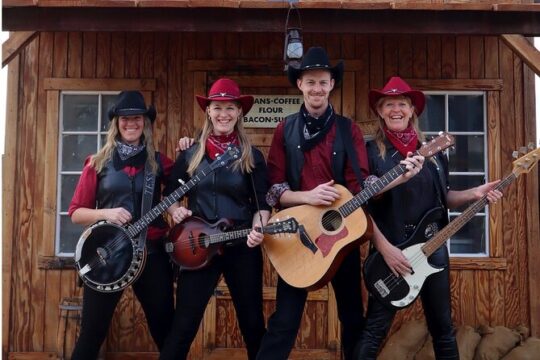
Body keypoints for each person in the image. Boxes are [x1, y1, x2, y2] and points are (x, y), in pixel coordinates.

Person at [257, 47, 423, 360]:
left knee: (351, 318)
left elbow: (361, 186)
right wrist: (307, 196)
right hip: (298, 237)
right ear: (300, 85)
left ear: (332, 84)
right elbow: (273, 189)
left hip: (341, 235)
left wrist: (398, 178)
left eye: (323, 82)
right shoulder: (284, 129)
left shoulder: (348, 130)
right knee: (284, 322)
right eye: (310, 82)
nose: (316, 88)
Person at [355, 76, 503, 359]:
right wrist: (385, 249)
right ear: (379, 111)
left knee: (443, 331)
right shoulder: (371, 151)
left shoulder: (434, 153)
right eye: (388, 104)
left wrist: (475, 192)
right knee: (374, 332)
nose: (395, 110)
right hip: (391, 254)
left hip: (433, 250)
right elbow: (361, 206)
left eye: (401, 103)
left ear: (412, 110)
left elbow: (443, 198)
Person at [159, 78, 271, 360]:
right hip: (198, 246)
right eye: (218, 107)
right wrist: (175, 212)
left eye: (230, 108)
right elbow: (168, 196)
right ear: (208, 111)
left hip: (241, 247)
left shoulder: (252, 156)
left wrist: (259, 228)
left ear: (238, 113)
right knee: (183, 325)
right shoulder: (190, 155)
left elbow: (263, 203)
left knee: (253, 324)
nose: (224, 114)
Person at [69, 91, 175, 359]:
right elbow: (76, 213)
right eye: (124, 118)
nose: (131, 123)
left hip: (151, 254)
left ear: (145, 123)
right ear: (116, 123)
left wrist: (187, 148)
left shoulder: (159, 162)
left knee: (167, 332)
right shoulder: (96, 163)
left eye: (136, 118)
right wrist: (107, 213)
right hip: (107, 255)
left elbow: (187, 177)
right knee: (92, 333)